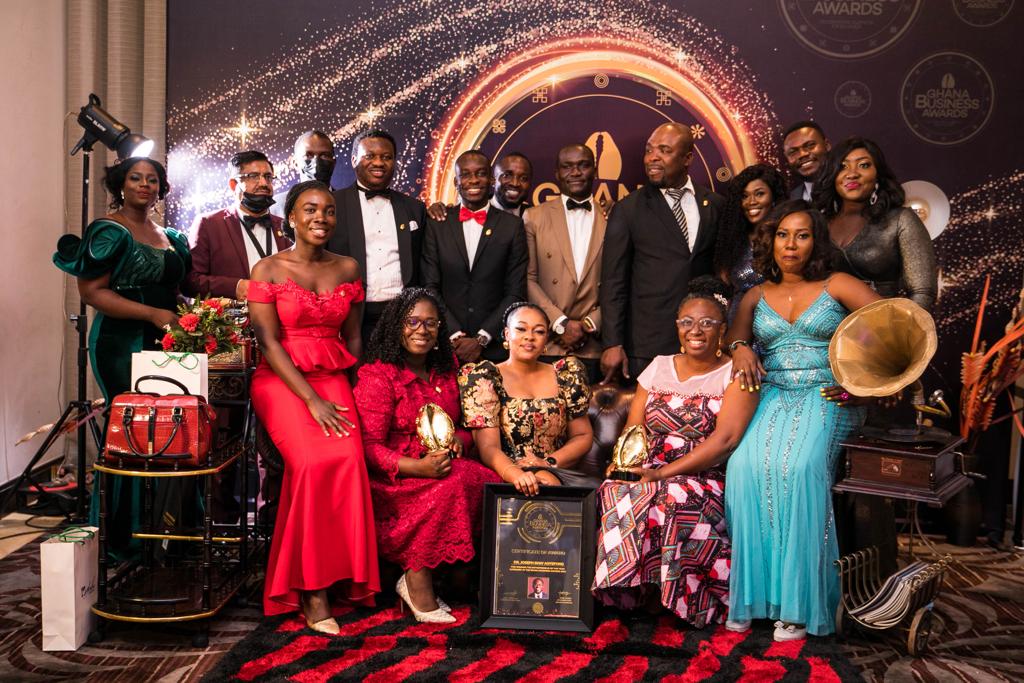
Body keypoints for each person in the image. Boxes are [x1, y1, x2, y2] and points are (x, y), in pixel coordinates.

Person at [725, 200, 881, 641]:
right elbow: (734, 336)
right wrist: (740, 347)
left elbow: (888, 331)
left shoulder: (838, 285)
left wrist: (862, 386)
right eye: (782, 235)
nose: (790, 244)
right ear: (770, 241)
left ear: (817, 242)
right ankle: (754, 598)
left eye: (802, 235)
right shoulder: (756, 295)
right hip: (773, 393)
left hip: (828, 394)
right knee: (743, 468)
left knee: (799, 469)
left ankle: (799, 605)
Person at [247, 180, 379, 632]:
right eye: (310, 209)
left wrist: (355, 390)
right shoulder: (267, 269)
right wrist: (312, 400)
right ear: (291, 217)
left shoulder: (348, 267)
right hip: (282, 378)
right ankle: (311, 588)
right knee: (310, 465)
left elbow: (354, 335)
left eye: (328, 210)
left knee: (349, 460)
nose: (320, 217)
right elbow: (267, 341)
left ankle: (342, 576)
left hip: (333, 374)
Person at [593, 277, 758, 627]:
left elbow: (725, 441)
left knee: (672, 495)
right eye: (687, 321)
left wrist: (663, 473)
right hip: (650, 466)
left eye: (707, 322)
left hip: (705, 475)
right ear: (677, 327)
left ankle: (688, 599)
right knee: (617, 489)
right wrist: (623, 466)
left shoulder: (735, 373)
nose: (695, 330)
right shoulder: (659, 366)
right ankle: (632, 590)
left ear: (723, 330)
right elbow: (634, 430)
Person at [52, 156, 190, 552]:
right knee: (132, 430)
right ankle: (124, 537)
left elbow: (174, 289)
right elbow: (92, 293)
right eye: (135, 178)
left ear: (161, 188)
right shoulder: (109, 230)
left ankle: (165, 533)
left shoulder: (169, 235)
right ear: (120, 185)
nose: (145, 185)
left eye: (152, 179)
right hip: (120, 342)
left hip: (166, 339)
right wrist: (153, 314)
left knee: (169, 430)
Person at [354, 287, 499, 624]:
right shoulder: (379, 375)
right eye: (412, 322)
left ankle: (470, 582)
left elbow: (463, 426)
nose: (422, 330)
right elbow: (368, 446)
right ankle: (416, 579)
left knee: (487, 482)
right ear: (396, 326)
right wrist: (417, 467)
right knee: (451, 485)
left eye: (431, 323)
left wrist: (459, 441)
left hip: (441, 465)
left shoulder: (446, 369)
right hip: (396, 478)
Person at [600, 122, 725, 382]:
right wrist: (612, 343)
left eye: (664, 150)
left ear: (687, 158)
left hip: (702, 342)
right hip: (647, 345)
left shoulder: (714, 205)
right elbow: (613, 281)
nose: (653, 158)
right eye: (649, 150)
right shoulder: (628, 209)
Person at [460, 302, 596, 493]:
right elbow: (488, 447)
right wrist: (516, 474)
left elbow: (582, 435)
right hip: (504, 473)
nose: (529, 337)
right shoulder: (485, 377)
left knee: (548, 484)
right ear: (507, 334)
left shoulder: (567, 375)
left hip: (555, 470)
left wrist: (548, 463)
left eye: (539, 331)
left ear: (546, 339)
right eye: (521, 329)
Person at [422, 150, 527, 363]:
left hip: (495, 348)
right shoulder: (437, 224)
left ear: (491, 180)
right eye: (466, 175)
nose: (474, 180)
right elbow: (429, 286)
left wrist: (482, 338)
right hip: (445, 345)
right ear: (456, 182)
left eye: (480, 173)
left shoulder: (512, 226)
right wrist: (454, 334)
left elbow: (515, 292)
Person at [813, 136, 937, 310]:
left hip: (881, 321)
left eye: (863, 165)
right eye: (842, 166)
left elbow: (923, 292)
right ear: (833, 175)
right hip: (826, 323)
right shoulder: (819, 223)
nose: (852, 173)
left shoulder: (901, 219)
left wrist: (896, 324)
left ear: (878, 175)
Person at [328, 130, 427, 344]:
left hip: (403, 317)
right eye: (370, 156)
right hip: (351, 318)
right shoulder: (332, 205)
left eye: (386, 157)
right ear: (354, 160)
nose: (379, 163)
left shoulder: (415, 208)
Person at [524, 144, 608, 383]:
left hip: (593, 345)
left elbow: (620, 281)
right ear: (557, 173)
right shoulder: (534, 217)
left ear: (595, 170)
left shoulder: (613, 217)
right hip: (546, 342)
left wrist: (591, 322)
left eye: (583, 165)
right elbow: (528, 278)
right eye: (567, 167)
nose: (576, 172)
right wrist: (560, 323)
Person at [184, 150, 290, 300]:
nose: (264, 183)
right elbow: (191, 282)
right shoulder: (208, 224)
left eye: (268, 177)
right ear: (233, 185)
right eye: (254, 176)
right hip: (231, 315)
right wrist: (236, 287)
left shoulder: (286, 226)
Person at [713, 164, 788, 321]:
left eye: (759, 194)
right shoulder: (734, 240)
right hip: (738, 321)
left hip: (777, 320)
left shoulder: (786, 238)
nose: (751, 201)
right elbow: (725, 289)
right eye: (745, 196)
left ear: (774, 197)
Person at [427, 152, 533, 221]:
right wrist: (435, 211)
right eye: (506, 175)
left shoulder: (535, 217)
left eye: (523, 178)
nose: (515, 183)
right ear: (493, 179)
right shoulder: (464, 211)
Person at [271, 130, 337, 217]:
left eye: (324, 155)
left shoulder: (347, 204)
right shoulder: (276, 207)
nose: (316, 163)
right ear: (295, 163)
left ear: (334, 162)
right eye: (308, 155)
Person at [782, 121, 831, 201]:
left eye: (810, 145)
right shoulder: (789, 201)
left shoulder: (848, 187)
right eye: (793, 152)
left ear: (827, 145)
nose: (802, 154)